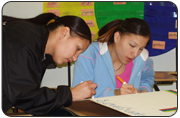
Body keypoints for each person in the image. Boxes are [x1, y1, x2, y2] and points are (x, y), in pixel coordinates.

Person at [2, 13, 97, 116]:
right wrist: (71, 95)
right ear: (64, 33)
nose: (75, 58)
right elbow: (24, 96)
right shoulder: (24, 40)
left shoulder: (40, 51)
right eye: (78, 48)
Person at [72, 18, 155, 98]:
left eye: (141, 48)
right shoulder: (89, 54)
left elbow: (147, 79)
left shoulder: (142, 58)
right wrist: (115, 93)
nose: (135, 54)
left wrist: (143, 91)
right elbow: (80, 95)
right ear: (117, 37)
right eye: (132, 45)